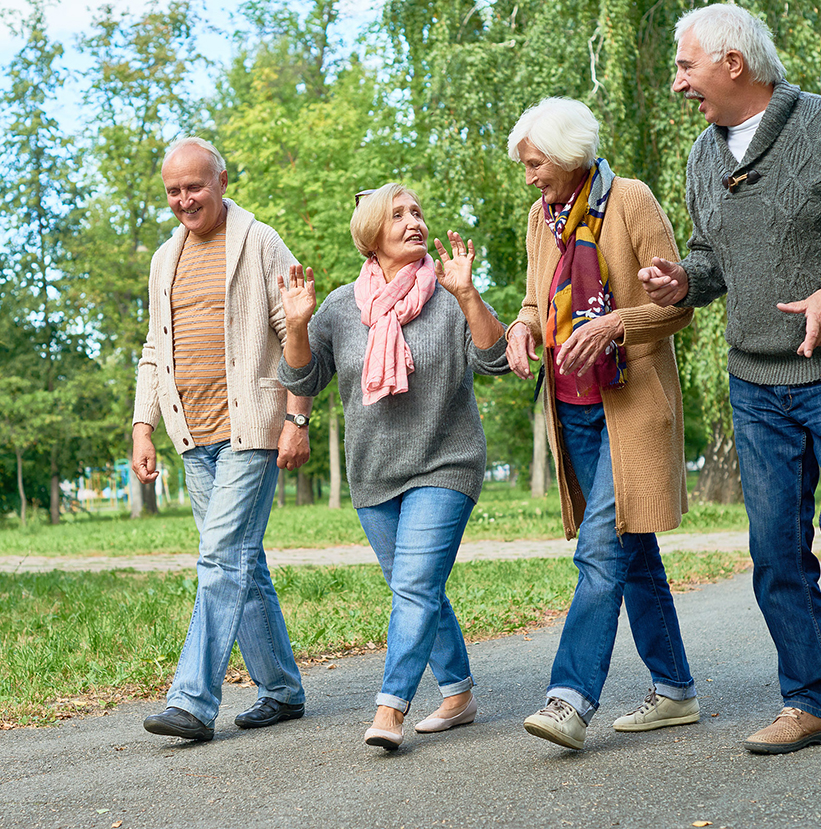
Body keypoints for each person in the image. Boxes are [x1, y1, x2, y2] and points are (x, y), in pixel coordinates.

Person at [640, 4, 821, 754]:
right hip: (757, 379)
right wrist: (684, 281)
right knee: (775, 547)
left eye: (686, 66)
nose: (678, 84)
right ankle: (810, 699)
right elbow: (715, 261)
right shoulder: (704, 157)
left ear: (733, 65)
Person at [277, 183, 508, 751]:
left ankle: (391, 707)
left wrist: (470, 296)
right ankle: (458, 694)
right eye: (399, 215)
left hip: (445, 462)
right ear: (371, 235)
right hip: (374, 472)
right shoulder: (339, 307)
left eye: (419, 212)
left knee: (413, 586)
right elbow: (304, 381)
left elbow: (496, 359)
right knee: (419, 589)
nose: (414, 222)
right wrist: (299, 327)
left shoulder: (450, 291)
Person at [505, 98, 698, 750]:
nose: (529, 176)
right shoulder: (541, 218)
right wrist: (524, 327)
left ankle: (569, 698)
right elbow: (537, 299)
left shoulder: (632, 201)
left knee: (599, 552)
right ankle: (675, 690)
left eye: (535, 163)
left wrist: (618, 321)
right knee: (632, 551)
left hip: (631, 408)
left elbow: (679, 305)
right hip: (575, 411)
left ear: (567, 154)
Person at [133, 137, 311, 742]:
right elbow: (154, 350)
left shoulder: (259, 240)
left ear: (222, 180)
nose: (184, 199)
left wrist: (297, 417)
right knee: (243, 563)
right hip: (194, 433)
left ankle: (191, 701)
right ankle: (283, 690)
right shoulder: (164, 259)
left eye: (194, 186)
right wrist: (143, 426)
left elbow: (296, 326)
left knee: (220, 559)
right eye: (173, 191)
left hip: (251, 427)